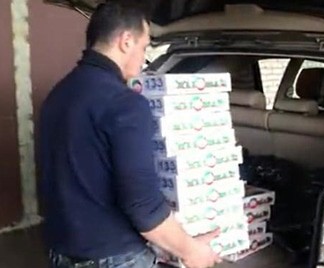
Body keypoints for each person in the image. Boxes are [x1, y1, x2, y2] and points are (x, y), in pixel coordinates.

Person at [38, 2, 221, 268]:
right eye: (145, 46)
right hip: (113, 257)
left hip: (61, 250)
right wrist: (190, 250)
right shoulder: (125, 104)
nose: (144, 57)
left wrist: (176, 241)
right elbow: (142, 205)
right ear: (126, 41)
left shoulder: (59, 94)